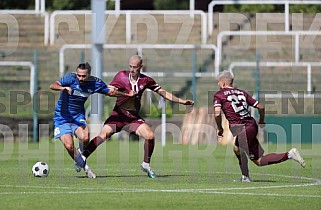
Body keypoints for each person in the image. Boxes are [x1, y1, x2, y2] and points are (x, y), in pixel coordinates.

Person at [79, 55, 194, 178]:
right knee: (103, 136)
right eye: (130, 66)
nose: (132, 69)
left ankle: (146, 164)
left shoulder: (146, 80)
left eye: (135, 67)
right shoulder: (121, 76)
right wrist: (126, 94)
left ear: (141, 67)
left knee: (150, 136)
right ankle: (82, 158)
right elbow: (110, 92)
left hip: (132, 118)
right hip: (118, 114)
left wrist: (182, 102)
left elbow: (163, 93)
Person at [213, 70, 306, 182]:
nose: (218, 85)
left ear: (223, 83)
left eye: (218, 82)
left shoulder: (219, 95)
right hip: (251, 125)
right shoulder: (242, 92)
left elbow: (217, 113)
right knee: (237, 149)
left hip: (243, 130)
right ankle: (245, 177)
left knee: (259, 161)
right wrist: (261, 120)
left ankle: (290, 154)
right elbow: (261, 107)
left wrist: (219, 128)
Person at [50, 62, 134, 178]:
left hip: (78, 117)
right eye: (79, 75)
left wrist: (127, 95)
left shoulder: (95, 83)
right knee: (69, 146)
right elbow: (53, 85)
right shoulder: (70, 78)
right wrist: (62, 87)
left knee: (85, 137)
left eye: (83, 76)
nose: (80, 78)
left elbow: (110, 92)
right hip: (62, 117)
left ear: (89, 74)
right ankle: (86, 168)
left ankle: (79, 155)